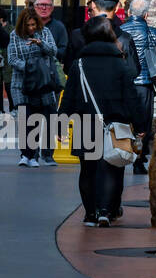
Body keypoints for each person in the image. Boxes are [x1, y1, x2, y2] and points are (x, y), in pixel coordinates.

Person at [59, 16, 148, 226]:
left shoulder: (78, 65)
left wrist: (61, 123)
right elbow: (131, 98)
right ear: (110, 35)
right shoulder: (120, 64)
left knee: (87, 170)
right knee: (113, 168)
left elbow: (69, 96)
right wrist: (141, 125)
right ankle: (106, 211)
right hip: (115, 124)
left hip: (84, 124)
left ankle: (90, 213)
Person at [119, 0, 156, 174]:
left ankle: (121, 153)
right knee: (143, 124)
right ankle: (138, 161)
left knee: (125, 121)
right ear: (146, 15)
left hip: (125, 83)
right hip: (145, 84)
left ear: (129, 13)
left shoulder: (119, 31)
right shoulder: (153, 32)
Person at [7, 7, 61, 166]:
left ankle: (41, 154)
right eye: (28, 25)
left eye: (33, 25)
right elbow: (12, 59)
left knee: (43, 117)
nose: (31, 28)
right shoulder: (15, 36)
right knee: (25, 118)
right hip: (22, 84)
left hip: (42, 84)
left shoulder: (44, 33)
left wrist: (41, 43)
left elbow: (53, 51)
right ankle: (26, 155)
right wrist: (31, 69)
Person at [65, 0, 140, 80]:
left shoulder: (77, 36)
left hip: (85, 92)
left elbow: (68, 68)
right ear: (116, 7)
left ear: (93, 5)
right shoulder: (125, 38)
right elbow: (134, 71)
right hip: (114, 91)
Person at [32, 0, 68, 71]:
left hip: (51, 71)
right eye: (41, 4)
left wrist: (47, 51)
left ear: (52, 8)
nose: (44, 8)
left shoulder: (59, 27)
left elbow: (63, 51)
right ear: (35, 7)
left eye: (47, 5)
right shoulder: (27, 26)